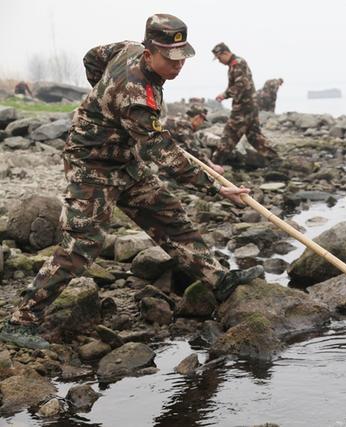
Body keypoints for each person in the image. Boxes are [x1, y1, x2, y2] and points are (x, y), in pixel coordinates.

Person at [0, 14, 262, 349]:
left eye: (182, 56)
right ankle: (21, 322)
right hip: (92, 163)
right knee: (83, 244)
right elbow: (162, 151)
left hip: (124, 157)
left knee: (169, 216)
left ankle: (218, 279)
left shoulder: (127, 48)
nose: (178, 65)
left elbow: (92, 57)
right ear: (150, 53)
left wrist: (100, 96)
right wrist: (215, 188)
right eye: (170, 58)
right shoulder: (136, 97)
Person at [212, 43, 278, 163]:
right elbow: (236, 85)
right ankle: (274, 159)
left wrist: (225, 95)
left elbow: (241, 84)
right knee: (254, 136)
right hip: (250, 106)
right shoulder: (234, 65)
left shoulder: (238, 63)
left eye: (219, 58)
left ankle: (216, 163)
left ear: (225, 53)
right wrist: (225, 94)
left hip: (243, 107)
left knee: (229, 134)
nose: (219, 61)